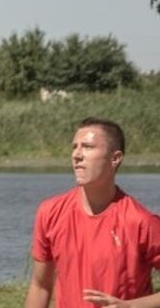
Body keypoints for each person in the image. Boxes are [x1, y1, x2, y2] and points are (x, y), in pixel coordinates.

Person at [25, 118, 160, 308]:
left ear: (115, 158)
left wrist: (129, 306)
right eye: (74, 147)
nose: (77, 155)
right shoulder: (50, 212)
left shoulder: (141, 221)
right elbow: (40, 286)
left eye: (88, 147)